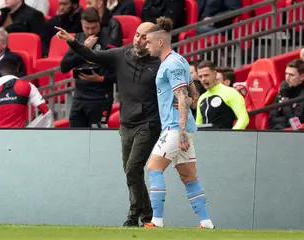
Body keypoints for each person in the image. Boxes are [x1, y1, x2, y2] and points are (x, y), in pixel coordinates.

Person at [55, 21, 161, 227]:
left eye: (143, 37)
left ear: (153, 41)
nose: (138, 39)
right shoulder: (122, 54)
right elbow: (92, 56)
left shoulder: (160, 63)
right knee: (132, 171)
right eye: (137, 34)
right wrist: (71, 41)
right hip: (126, 123)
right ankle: (147, 215)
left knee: (132, 168)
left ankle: (133, 215)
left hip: (148, 124)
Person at [143, 17, 214, 229]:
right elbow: (194, 94)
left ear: (159, 42)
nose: (146, 46)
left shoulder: (171, 64)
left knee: (153, 167)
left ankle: (156, 221)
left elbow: (183, 96)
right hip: (183, 127)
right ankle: (206, 222)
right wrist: (189, 101)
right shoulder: (180, 60)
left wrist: (181, 131)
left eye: (148, 42)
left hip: (176, 127)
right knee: (188, 176)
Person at [60, 8, 118, 128]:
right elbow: (64, 66)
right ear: (81, 23)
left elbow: (120, 74)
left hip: (100, 98)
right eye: (87, 28)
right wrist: (83, 49)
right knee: (76, 137)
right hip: (79, 98)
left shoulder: (109, 43)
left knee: (97, 139)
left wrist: (101, 79)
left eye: (94, 27)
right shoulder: (77, 39)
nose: (91, 31)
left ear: (99, 23)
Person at [0, 56, 52, 128]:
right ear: (17, 70)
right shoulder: (28, 86)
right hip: (19, 136)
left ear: (0, 71)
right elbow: (46, 111)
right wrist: (31, 129)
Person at [196, 60, 249, 129]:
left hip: (224, 138)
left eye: (206, 75)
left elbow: (243, 118)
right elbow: (198, 124)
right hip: (205, 138)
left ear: (215, 74)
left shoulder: (230, 92)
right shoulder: (202, 97)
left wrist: (230, 136)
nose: (203, 79)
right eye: (200, 76)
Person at [269, 59, 304, 130]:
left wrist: (285, 101)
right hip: (275, 131)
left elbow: (295, 124)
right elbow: (271, 119)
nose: (287, 78)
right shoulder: (283, 92)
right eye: (286, 74)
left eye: (291, 75)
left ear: (302, 77)